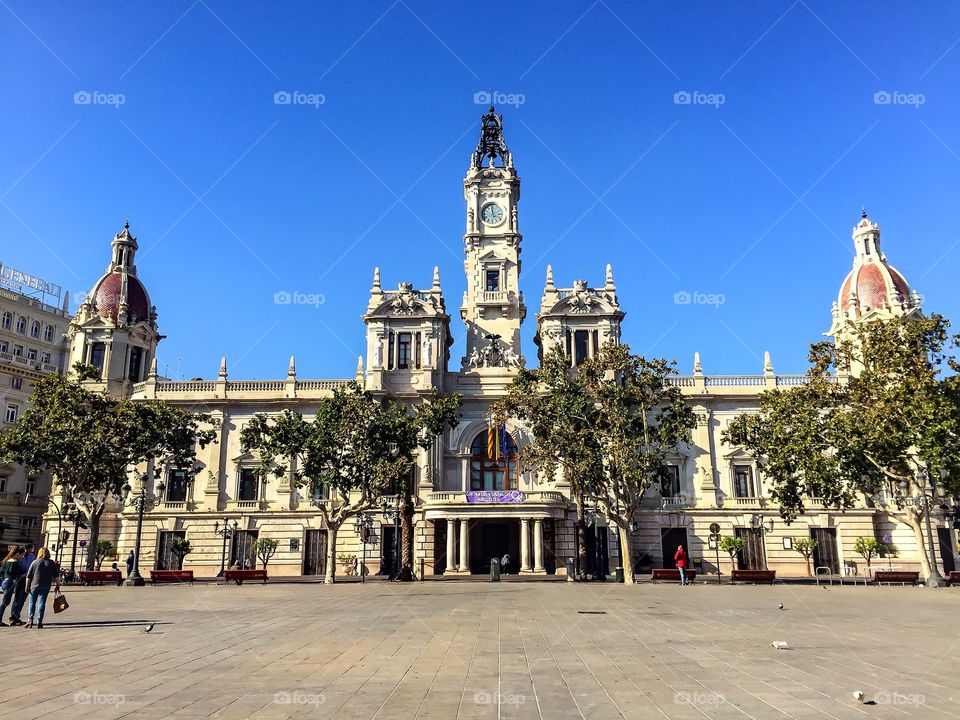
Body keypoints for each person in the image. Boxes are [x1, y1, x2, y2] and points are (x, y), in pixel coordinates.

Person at [25, 547, 60, 629]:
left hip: (34, 585)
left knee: (32, 603)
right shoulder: (51, 563)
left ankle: (30, 621)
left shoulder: (35, 562)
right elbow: (56, 576)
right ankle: (39, 622)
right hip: (46, 586)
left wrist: (27, 586)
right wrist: (58, 585)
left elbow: (29, 576)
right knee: (41, 603)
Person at [9, 542, 35, 626]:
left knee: (23, 599)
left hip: (28, 580)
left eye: (30, 550)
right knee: (17, 599)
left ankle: (17, 616)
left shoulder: (32, 556)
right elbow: (16, 568)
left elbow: (33, 567)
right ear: (25, 549)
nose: (28, 551)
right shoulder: (19, 556)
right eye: (27, 550)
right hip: (19, 579)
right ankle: (13, 618)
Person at [0, 546, 26, 626]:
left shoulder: (6, 560)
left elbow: (1, 572)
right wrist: (24, 574)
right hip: (9, 582)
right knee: (5, 602)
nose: (22, 557)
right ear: (17, 554)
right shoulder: (13, 562)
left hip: (4, 582)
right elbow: (15, 574)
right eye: (22, 555)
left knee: (5, 602)